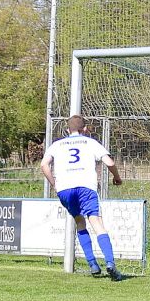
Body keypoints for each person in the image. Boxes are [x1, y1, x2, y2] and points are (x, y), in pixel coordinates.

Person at [40, 115, 125, 281]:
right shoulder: (90, 142)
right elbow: (109, 162)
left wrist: (54, 184)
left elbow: (44, 165)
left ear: (67, 130)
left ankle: (92, 264)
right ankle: (110, 263)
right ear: (85, 129)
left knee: (80, 221)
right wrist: (117, 177)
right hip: (86, 187)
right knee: (97, 223)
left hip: (64, 189)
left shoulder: (57, 145)